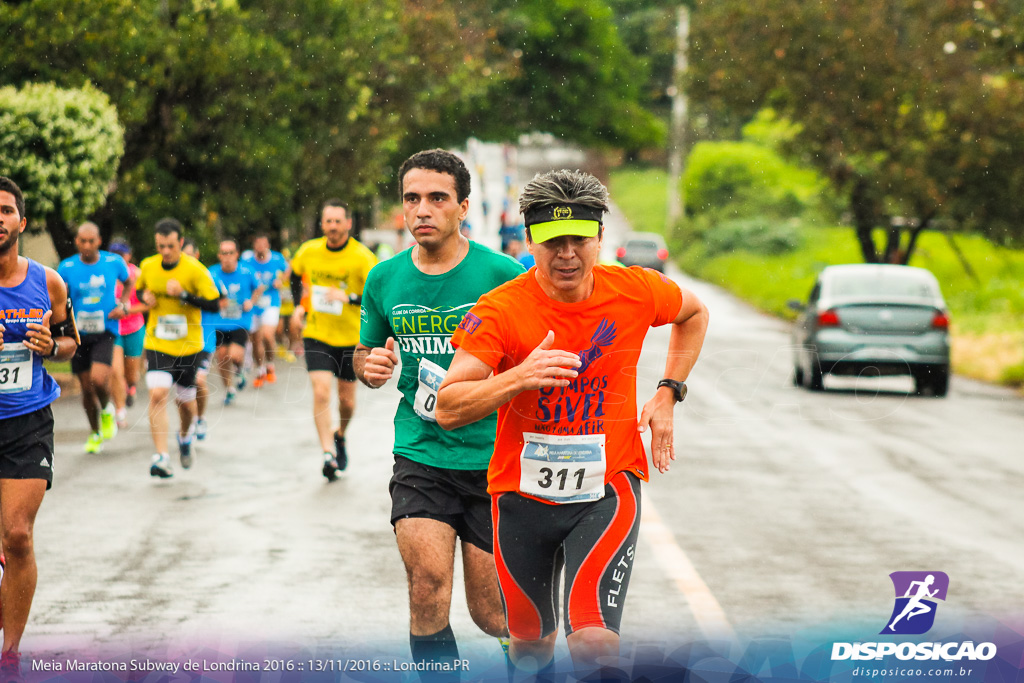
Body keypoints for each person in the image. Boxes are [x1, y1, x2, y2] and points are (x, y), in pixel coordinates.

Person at [437, 170, 709, 680]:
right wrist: (518, 377)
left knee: (592, 642)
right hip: (520, 499)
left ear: (600, 238)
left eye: (579, 240)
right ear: (529, 241)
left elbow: (693, 314)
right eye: (552, 241)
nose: (567, 254)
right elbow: (449, 406)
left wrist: (669, 391)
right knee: (531, 649)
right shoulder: (500, 309)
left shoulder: (635, 290)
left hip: (607, 488)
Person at [354, 149, 521, 677]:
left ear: (463, 207)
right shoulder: (383, 279)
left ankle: (521, 659)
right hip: (420, 451)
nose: (422, 209)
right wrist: (370, 366)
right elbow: (365, 352)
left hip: (493, 458)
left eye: (437, 198)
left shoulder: (502, 274)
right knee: (426, 586)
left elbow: (531, 360)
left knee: (492, 612)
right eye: (411, 198)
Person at [0, 177, 78, 679]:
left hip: (27, 421)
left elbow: (72, 342)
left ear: (21, 223)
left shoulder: (47, 281)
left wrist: (52, 346)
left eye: (5, 210)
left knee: (18, 535)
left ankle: (10, 653)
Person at [136, 219, 221, 477]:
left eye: (170, 246)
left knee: (185, 403)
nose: (165, 251)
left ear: (180, 243)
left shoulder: (195, 270)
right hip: (157, 342)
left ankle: (185, 437)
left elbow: (215, 305)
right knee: (158, 395)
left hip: (188, 346)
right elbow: (139, 292)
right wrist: (144, 298)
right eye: (161, 246)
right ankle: (161, 456)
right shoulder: (148, 266)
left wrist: (184, 295)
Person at [57, 223, 132, 453]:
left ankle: (108, 408)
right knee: (86, 388)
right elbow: (59, 295)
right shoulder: (66, 267)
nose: (87, 246)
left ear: (99, 241)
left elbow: (128, 282)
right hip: (78, 335)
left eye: (91, 241)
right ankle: (95, 432)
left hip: (105, 330)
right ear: (77, 242)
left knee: (99, 380)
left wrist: (124, 304)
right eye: (82, 241)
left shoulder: (113, 262)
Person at [207, 239, 263, 406]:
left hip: (241, 321)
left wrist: (251, 302)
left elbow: (259, 288)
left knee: (234, 354)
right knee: (222, 357)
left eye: (231, 253)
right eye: (224, 253)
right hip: (219, 321)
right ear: (219, 255)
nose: (227, 257)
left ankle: (240, 368)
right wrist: (215, 303)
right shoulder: (212, 273)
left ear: (236, 254)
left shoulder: (247, 271)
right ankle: (229, 389)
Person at [108, 241, 148, 428]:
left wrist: (127, 309)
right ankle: (120, 411)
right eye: (114, 253)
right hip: (112, 329)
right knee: (116, 371)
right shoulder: (105, 273)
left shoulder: (138, 275)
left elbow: (148, 304)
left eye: (121, 254)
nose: (118, 258)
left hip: (134, 327)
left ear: (129, 256)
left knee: (132, 374)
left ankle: (131, 388)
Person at [242, 235, 288, 387]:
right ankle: (260, 370)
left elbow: (289, 268)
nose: (261, 246)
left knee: (267, 335)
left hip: (271, 302)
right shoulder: (247, 261)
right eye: (258, 244)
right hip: (254, 304)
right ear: (254, 245)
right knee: (255, 339)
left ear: (268, 244)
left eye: (263, 243)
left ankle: (270, 364)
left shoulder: (276, 258)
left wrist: (281, 281)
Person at [181, 239, 215, 440]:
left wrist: (187, 296)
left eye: (190, 256)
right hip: (179, 340)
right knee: (182, 389)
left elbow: (219, 303)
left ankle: (200, 419)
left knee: (199, 380)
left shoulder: (205, 276)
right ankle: (188, 424)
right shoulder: (172, 277)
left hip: (204, 338)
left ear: (197, 255)